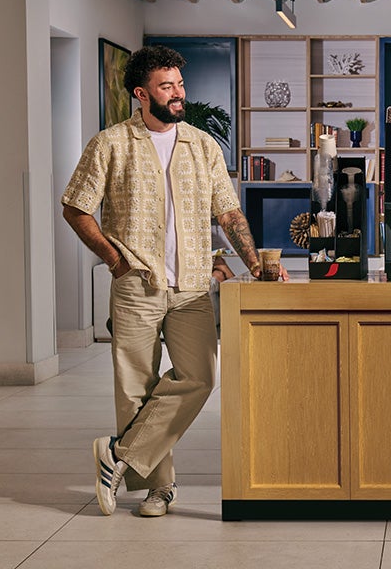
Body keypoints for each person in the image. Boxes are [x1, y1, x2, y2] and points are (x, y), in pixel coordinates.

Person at [62, 45, 287, 517]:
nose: (179, 94)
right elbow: (76, 207)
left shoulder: (202, 145)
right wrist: (114, 260)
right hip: (136, 285)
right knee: (135, 389)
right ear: (142, 94)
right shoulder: (110, 144)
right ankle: (159, 488)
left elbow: (228, 212)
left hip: (190, 288)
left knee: (201, 377)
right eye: (168, 86)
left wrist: (256, 265)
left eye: (180, 85)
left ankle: (118, 454)